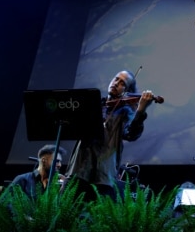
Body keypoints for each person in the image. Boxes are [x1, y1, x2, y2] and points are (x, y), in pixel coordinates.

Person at [63, 70, 155, 202]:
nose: (117, 83)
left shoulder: (126, 111)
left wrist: (140, 111)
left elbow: (131, 134)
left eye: (122, 83)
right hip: (79, 168)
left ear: (127, 90)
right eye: (116, 79)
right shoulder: (93, 104)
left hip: (103, 174)